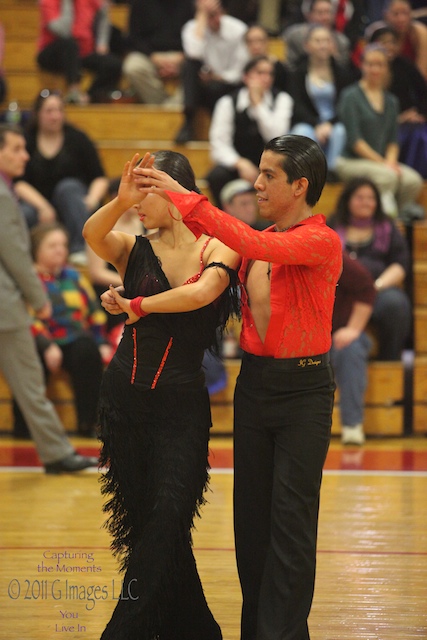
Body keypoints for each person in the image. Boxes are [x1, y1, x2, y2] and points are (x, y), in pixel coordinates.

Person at [134, 134, 343, 640]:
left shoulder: (318, 241)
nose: (257, 182)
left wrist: (186, 197)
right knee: (250, 527)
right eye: (259, 171)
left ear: (300, 185)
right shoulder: (255, 245)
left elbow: (258, 243)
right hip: (254, 386)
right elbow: (209, 278)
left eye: (269, 175)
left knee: (290, 526)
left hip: (304, 392)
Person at [82, 150, 240, 639]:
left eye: (148, 192)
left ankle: (122, 631)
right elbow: (92, 235)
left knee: (169, 513)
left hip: (180, 409)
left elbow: (199, 294)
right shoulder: (134, 247)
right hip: (123, 401)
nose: (139, 206)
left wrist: (136, 304)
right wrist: (121, 198)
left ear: (178, 194)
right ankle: (196, 629)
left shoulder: (221, 246)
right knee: (146, 523)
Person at [0, 123, 98, 473]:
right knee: (29, 383)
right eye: (15, 148)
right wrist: (38, 297)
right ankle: (56, 454)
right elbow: (12, 252)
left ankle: (57, 451)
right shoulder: (1, 193)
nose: (24, 155)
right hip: (5, 309)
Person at [12, 222, 111, 439]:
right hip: (39, 340)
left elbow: (94, 312)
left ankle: (88, 424)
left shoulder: (73, 276)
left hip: (73, 339)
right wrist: (46, 345)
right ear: (36, 250)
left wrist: (101, 341)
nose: (60, 250)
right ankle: (25, 429)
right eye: (52, 245)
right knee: (30, 356)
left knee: (87, 351)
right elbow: (24, 317)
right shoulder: (27, 278)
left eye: (63, 245)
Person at [15, 90, 109, 263]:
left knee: (68, 188)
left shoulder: (78, 138)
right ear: (38, 114)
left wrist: (92, 199)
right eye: (49, 111)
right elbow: (18, 182)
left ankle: (79, 251)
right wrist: (43, 206)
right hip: (38, 207)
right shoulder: (26, 140)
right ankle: (24, 257)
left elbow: (99, 177)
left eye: (59, 110)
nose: (55, 116)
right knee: (24, 212)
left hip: (73, 204)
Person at [328, 176, 411, 361]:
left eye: (371, 198)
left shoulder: (388, 227)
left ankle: (389, 362)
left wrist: (376, 286)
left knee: (395, 304)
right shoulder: (333, 224)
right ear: (348, 200)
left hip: (378, 290)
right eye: (360, 197)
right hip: (340, 292)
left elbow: (400, 264)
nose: (366, 202)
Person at [335, 43, 424, 218]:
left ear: (386, 68)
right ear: (362, 66)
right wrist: (384, 164)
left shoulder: (391, 101)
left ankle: (397, 221)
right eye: (370, 64)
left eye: (380, 64)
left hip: (381, 162)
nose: (375, 69)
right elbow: (355, 141)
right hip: (351, 161)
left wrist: (390, 162)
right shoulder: (350, 96)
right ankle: (383, 222)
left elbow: (393, 140)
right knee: (388, 177)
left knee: (413, 181)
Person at [206, 55, 293, 206]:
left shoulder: (282, 99)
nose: (266, 78)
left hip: (270, 163)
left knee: (286, 174)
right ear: (246, 77)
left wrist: (258, 104)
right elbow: (219, 144)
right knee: (216, 176)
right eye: (260, 73)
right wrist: (240, 163)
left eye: (270, 74)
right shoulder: (227, 102)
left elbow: (276, 137)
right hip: (239, 163)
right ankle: (222, 222)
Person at [174, 0, 249, 144]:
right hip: (203, 87)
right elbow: (194, 53)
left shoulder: (238, 29)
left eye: (216, 13)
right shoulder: (191, 28)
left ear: (223, 11)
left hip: (230, 85)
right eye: (209, 15)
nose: (214, 19)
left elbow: (240, 70)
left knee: (215, 87)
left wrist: (218, 77)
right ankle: (188, 120)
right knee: (188, 66)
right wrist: (202, 17)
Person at [288, 24, 356, 180]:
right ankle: (306, 175)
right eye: (318, 41)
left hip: (334, 122)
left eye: (326, 41)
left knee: (341, 131)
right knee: (301, 132)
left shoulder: (343, 73)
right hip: (310, 122)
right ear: (307, 45)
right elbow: (297, 104)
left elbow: (345, 105)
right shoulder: (298, 72)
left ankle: (332, 173)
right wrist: (316, 124)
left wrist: (329, 124)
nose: (323, 45)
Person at [36, 0, 123, 104]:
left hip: (82, 52)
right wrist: (67, 3)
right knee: (70, 44)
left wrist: (102, 42)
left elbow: (103, 12)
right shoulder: (49, 2)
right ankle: (74, 89)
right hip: (53, 52)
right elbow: (64, 31)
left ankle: (89, 97)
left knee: (114, 64)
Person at [369, 25, 427, 179]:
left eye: (392, 42)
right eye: (383, 42)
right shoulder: (365, 71)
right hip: (381, 123)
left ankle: (418, 178)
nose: (388, 46)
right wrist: (399, 119)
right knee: (401, 135)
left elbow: (423, 93)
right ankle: (396, 172)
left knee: (421, 134)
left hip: (409, 118)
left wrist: (419, 113)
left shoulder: (405, 65)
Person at [331, 251, 377, 445]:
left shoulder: (336, 258)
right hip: (306, 337)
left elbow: (367, 288)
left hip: (340, 335)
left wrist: (353, 328)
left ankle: (352, 424)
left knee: (350, 350)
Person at [121, 0, 194, 104]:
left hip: (183, 55)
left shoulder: (190, 3)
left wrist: (182, 56)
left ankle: (170, 109)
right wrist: (153, 56)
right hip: (150, 55)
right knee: (133, 67)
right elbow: (134, 38)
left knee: (197, 70)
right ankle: (166, 109)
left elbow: (198, 35)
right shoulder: (139, 3)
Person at [365, 0, 427, 81]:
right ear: (386, 15)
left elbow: (421, 75)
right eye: (396, 14)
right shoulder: (376, 33)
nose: (401, 19)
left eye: (405, 13)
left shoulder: (419, 32)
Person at [282, 0, 352, 71]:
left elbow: (344, 71)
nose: (325, 17)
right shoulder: (294, 35)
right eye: (320, 13)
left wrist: (335, 57)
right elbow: (286, 65)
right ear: (310, 15)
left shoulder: (342, 41)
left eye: (328, 12)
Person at [244, 24, 289, 93]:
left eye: (260, 41)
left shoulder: (279, 68)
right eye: (251, 42)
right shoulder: (243, 66)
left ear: (267, 42)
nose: (256, 46)